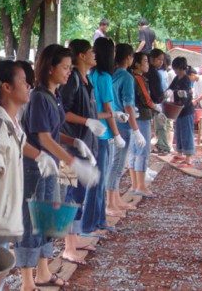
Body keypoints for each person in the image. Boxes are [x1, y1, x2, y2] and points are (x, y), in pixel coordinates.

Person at [0, 60, 59, 290]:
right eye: (24, 82)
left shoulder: (10, 121)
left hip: (0, 215)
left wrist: (40, 156)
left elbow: (19, 143)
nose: (29, 87)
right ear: (6, 87)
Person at [15, 44, 99, 290]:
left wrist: (75, 141)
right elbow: (43, 138)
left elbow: (55, 131)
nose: (68, 72)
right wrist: (73, 161)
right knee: (32, 220)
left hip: (54, 165)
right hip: (36, 168)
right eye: (64, 67)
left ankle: (43, 271)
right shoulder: (40, 97)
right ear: (50, 68)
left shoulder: (55, 95)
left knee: (50, 219)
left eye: (70, 67)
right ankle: (27, 281)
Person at [58, 39, 106, 264]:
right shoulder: (73, 80)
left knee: (79, 195)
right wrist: (86, 121)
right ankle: (68, 247)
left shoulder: (86, 81)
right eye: (90, 52)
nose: (94, 55)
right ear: (80, 56)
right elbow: (63, 113)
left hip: (86, 146)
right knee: (70, 195)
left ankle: (75, 239)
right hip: (71, 147)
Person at [82, 37, 124, 235]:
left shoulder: (91, 75)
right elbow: (108, 107)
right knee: (98, 182)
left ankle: (98, 220)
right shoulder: (105, 77)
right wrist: (117, 134)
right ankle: (90, 224)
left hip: (92, 133)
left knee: (96, 182)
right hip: (103, 134)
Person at [107, 43, 146, 216]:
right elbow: (128, 105)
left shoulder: (111, 74)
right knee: (117, 165)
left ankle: (115, 199)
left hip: (111, 123)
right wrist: (136, 130)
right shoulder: (127, 77)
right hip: (122, 125)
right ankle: (111, 203)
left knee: (115, 164)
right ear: (129, 58)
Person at [129, 52, 163, 198]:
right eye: (145, 61)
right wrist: (156, 107)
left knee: (133, 151)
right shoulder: (139, 78)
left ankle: (134, 184)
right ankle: (141, 186)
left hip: (132, 117)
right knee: (142, 151)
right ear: (137, 64)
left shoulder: (129, 77)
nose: (147, 64)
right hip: (142, 117)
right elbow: (146, 99)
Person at [169, 57, 195, 167]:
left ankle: (189, 158)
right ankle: (180, 153)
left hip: (186, 110)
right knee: (178, 132)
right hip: (177, 110)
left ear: (180, 68)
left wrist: (182, 94)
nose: (174, 71)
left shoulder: (186, 79)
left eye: (175, 68)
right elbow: (170, 89)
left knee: (187, 133)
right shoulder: (177, 78)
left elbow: (187, 95)